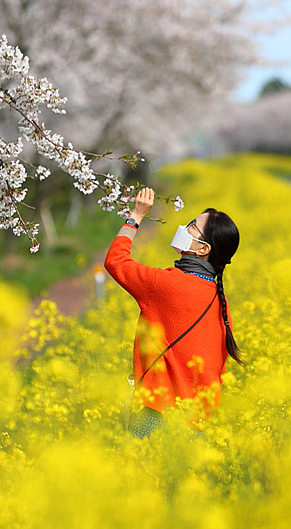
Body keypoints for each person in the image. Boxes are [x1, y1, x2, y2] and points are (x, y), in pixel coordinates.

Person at [104, 187, 242, 438]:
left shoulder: (165, 285)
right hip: (196, 425)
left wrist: (134, 217)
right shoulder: (220, 300)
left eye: (192, 226)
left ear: (203, 249)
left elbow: (115, 261)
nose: (184, 227)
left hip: (155, 415)